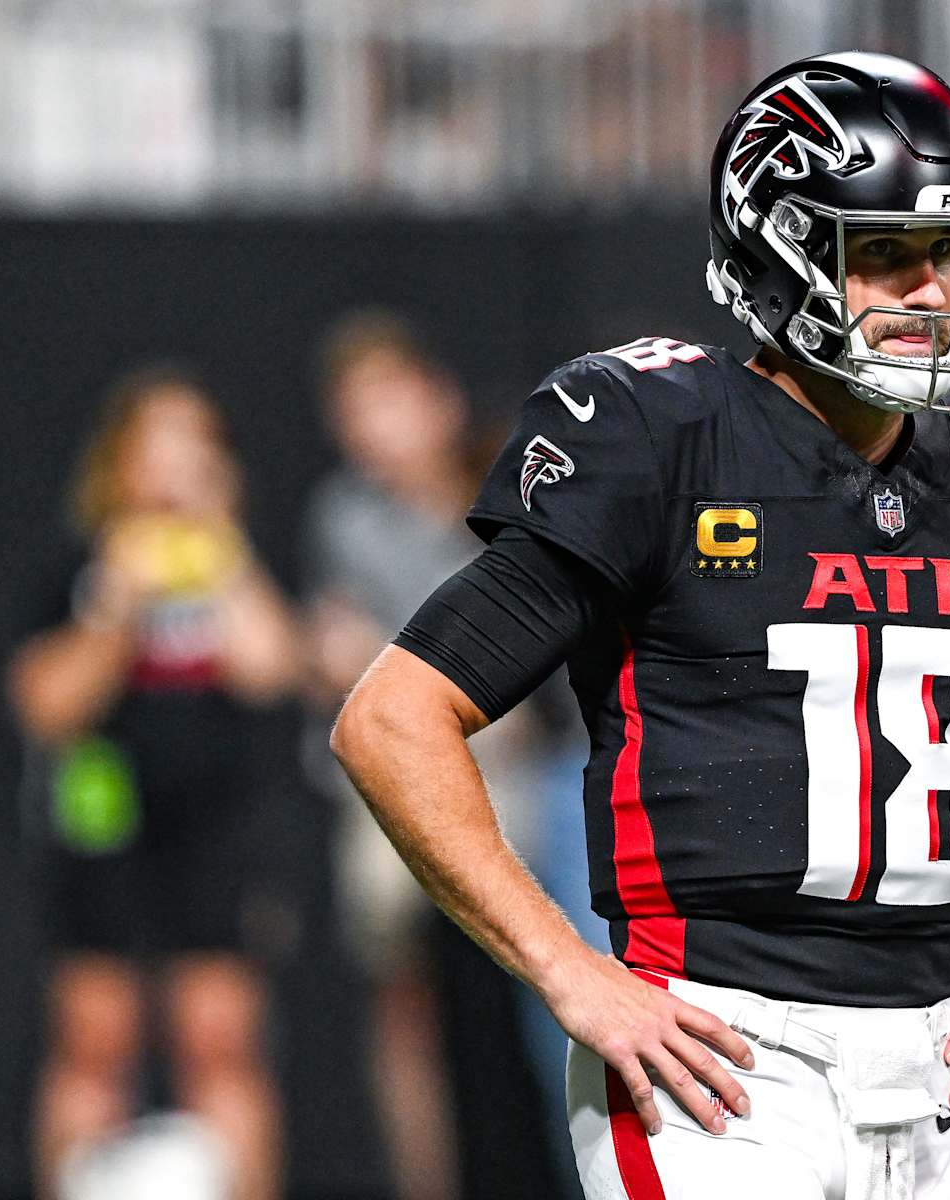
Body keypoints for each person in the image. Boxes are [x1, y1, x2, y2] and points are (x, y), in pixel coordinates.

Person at [330, 51, 950, 1198]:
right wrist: (570, 971)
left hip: (932, 1070)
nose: (934, 288)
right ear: (779, 250)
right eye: (884, 252)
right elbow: (390, 719)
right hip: (723, 1062)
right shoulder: (660, 435)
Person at [304, 310, 582, 1199]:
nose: (366, 427)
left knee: (559, 998)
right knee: (412, 1012)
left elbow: (541, 680)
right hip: (410, 786)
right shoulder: (347, 517)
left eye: (383, 399)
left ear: (437, 398)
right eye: (349, 409)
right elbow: (351, 671)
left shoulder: (514, 480)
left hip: (535, 785)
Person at [9, 366, 299, 1200]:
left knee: (222, 1044)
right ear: (121, 459)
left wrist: (221, 547)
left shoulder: (235, 556)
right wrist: (115, 604)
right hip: (104, 826)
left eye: (194, 442)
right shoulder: (82, 563)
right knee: (93, 1042)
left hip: (217, 824)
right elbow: (44, 704)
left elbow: (272, 668)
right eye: (157, 443)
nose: (175, 462)